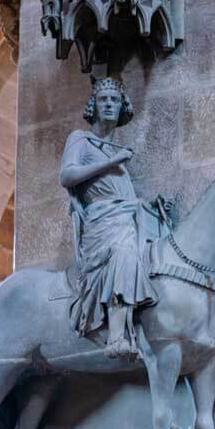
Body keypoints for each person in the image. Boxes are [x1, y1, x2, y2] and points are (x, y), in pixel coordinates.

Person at [60, 77, 158, 357]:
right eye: (103, 99)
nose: (108, 104)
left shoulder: (115, 151)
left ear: (121, 108)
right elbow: (67, 176)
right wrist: (112, 162)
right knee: (124, 250)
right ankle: (116, 337)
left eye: (114, 100)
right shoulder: (81, 140)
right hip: (102, 220)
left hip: (125, 216)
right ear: (93, 105)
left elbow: (122, 196)